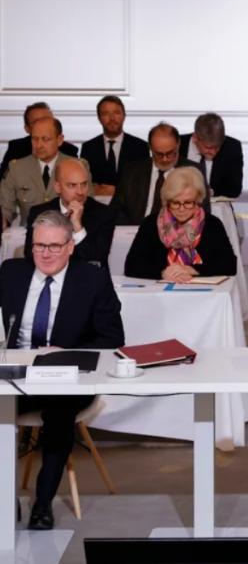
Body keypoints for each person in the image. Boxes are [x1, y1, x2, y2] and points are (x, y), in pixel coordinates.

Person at [0, 210, 124, 530]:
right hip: (17, 378)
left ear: (70, 246)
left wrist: (67, 353)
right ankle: (6, 497)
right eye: (39, 245)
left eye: (55, 246)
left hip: (68, 379)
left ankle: (43, 503)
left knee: (59, 414)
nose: (46, 253)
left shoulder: (92, 278)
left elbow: (113, 338)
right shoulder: (11, 273)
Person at [124, 166, 235, 281]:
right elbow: (131, 266)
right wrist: (163, 272)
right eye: (175, 203)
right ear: (167, 201)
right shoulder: (151, 224)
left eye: (188, 202)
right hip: (159, 289)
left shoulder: (212, 224)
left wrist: (192, 269)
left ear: (198, 200)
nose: (181, 209)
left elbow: (229, 265)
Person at [25, 157, 116, 268]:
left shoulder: (104, 214)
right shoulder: (39, 213)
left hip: (87, 277)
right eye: (72, 185)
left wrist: (78, 227)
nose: (80, 192)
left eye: (84, 184)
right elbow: (31, 255)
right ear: (58, 187)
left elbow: (96, 259)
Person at [110, 122, 205, 225]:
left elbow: (202, 213)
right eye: (159, 154)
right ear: (150, 147)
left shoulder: (194, 171)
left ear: (178, 145)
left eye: (170, 153)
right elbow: (115, 210)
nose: (165, 159)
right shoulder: (131, 171)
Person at [0, 116, 76, 228]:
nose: (39, 145)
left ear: (59, 140)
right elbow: (5, 209)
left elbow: (87, 207)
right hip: (28, 233)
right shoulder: (16, 168)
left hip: (67, 232)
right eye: (35, 139)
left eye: (45, 139)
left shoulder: (76, 167)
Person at [79, 95, 150, 196]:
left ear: (124, 116)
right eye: (105, 113)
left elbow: (143, 184)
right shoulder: (88, 148)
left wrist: (116, 191)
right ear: (99, 118)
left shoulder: (140, 147)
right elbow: (84, 183)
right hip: (97, 203)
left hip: (129, 203)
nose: (112, 118)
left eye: (116, 113)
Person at [0, 102, 78, 179]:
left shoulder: (68, 150)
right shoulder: (16, 149)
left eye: (47, 120)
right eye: (36, 122)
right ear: (27, 128)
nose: (42, 125)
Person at [179, 112, 244, 198]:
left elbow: (235, 190)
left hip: (215, 203)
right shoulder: (178, 144)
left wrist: (209, 192)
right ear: (195, 138)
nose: (213, 152)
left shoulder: (232, 147)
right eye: (208, 147)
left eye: (217, 147)